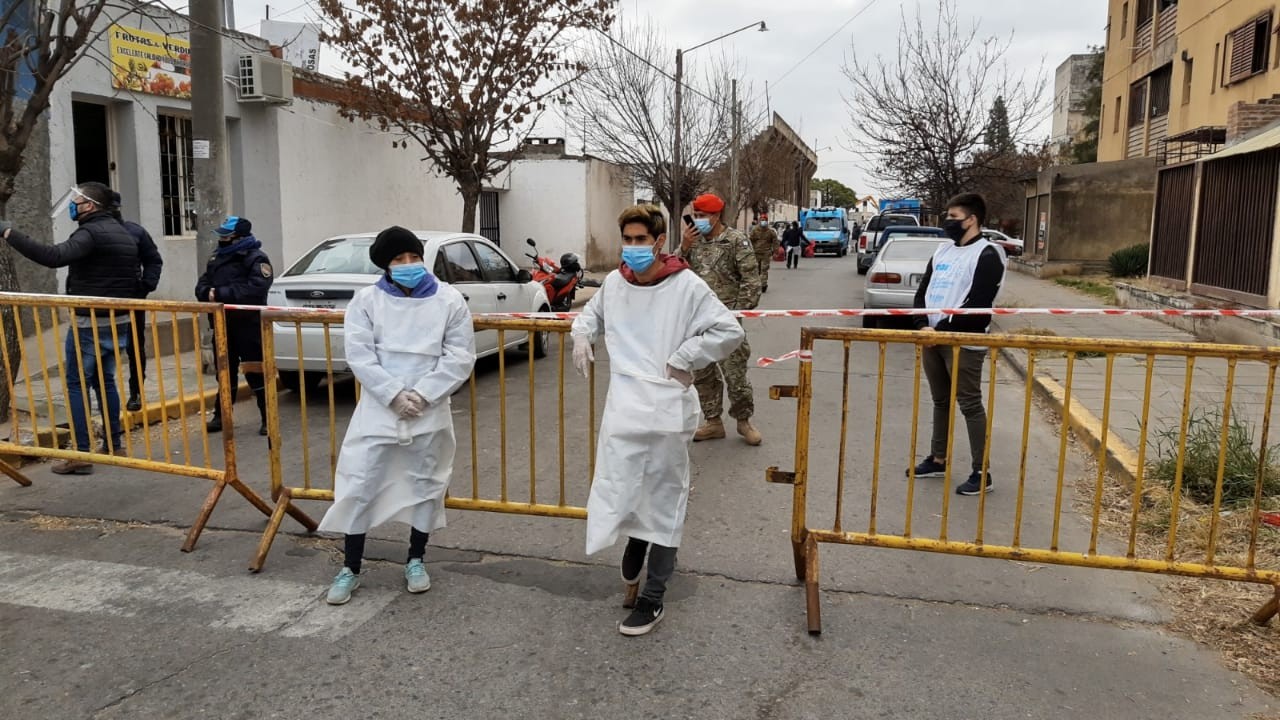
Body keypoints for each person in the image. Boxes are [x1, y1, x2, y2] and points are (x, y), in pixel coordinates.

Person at [572, 205, 743, 636]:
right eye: (626, 240)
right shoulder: (615, 282)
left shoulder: (686, 286)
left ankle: (654, 596)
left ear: (659, 241)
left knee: (665, 496)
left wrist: (685, 358)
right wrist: (581, 334)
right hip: (624, 405)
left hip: (666, 402)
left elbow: (729, 330)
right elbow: (591, 316)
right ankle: (635, 540)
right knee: (621, 483)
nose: (632, 248)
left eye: (640, 240)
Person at [319, 226, 475, 605]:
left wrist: (423, 395)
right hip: (378, 410)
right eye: (398, 260)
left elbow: (459, 356)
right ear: (385, 266)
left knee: (426, 483)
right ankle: (350, 567)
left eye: (413, 257)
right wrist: (392, 395)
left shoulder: (450, 300)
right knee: (361, 481)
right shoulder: (366, 301)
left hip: (429, 410)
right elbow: (359, 354)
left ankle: (416, 559)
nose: (408, 265)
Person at [0, 182, 139, 474]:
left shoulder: (90, 233)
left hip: (91, 322)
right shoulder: (121, 231)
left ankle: (81, 452)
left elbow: (53, 257)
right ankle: (114, 444)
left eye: (76, 201)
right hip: (118, 319)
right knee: (106, 381)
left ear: (90, 205)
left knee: (77, 383)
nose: (72, 206)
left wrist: (9, 233)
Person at [908, 193, 1006, 496]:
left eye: (953, 217)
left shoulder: (988, 254)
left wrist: (943, 330)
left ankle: (981, 471)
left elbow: (978, 305)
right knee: (940, 401)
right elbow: (922, 292)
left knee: (970, 404)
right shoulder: (942, 252)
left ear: (972, 219)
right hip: (932, 338)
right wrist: (922, 325)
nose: (947, 223)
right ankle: (938, 459)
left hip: (963, 341)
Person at [678, 193, 763, 446]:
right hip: (697, 321)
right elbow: (673, 271)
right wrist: (684, 247)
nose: (698, 221)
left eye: (702, 216)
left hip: (727, 322)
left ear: (715, 216)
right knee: (703, 373)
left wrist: (735, 315)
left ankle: (743, 421)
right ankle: (713, 421)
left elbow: (751, 282)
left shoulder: (736, 241)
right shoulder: (692, 242)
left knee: (735, 375)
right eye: (696, 216)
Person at [194, 216, 273, 436]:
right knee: (224, 373)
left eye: (226, 235)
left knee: (255, 372)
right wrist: (206, 292)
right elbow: (202, 284)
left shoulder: (256, 258)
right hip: (222, 324)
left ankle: (268, 417)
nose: (222, 239)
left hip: (248, 326)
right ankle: (221, 416)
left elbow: (255, 290)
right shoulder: (216, 258)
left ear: (239, 237)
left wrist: (219, 294)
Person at [108, 192, 163, 412]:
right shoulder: (90, 233)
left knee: (134, 349)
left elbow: (154, 260)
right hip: (101, 302)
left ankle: (136, 392)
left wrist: (145, 286)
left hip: (131, 300)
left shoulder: (135, 232)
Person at [748, 217, 778, 293]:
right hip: (757, 253)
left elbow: (775, 242)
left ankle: (763, 284)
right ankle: (759, 284)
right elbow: (750, 240)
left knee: (763, 269)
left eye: (764, 220)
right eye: (762, 220)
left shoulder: (770, 231)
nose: (763, 222)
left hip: (765, 253)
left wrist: (775, 251)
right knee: (757, 269)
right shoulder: (755, 230)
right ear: (759, 221)